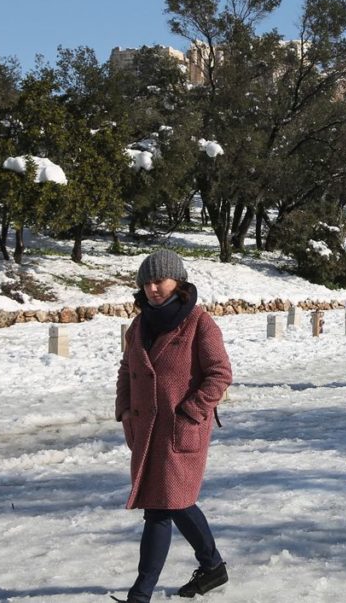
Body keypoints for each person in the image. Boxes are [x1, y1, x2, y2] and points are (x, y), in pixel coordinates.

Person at [115, 249, 234, 603]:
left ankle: (141, 595)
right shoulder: (139, 325)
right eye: (146, 282)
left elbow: (220, 374)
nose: (152, 288)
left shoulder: (199, 322)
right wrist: (124, 410)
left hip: (181, 431)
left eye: (159, 281)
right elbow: (126, 370)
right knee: (173, 503)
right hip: (146, 432)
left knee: (162, 507)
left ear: (177, 281)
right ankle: (212, 565)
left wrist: (191, 411)